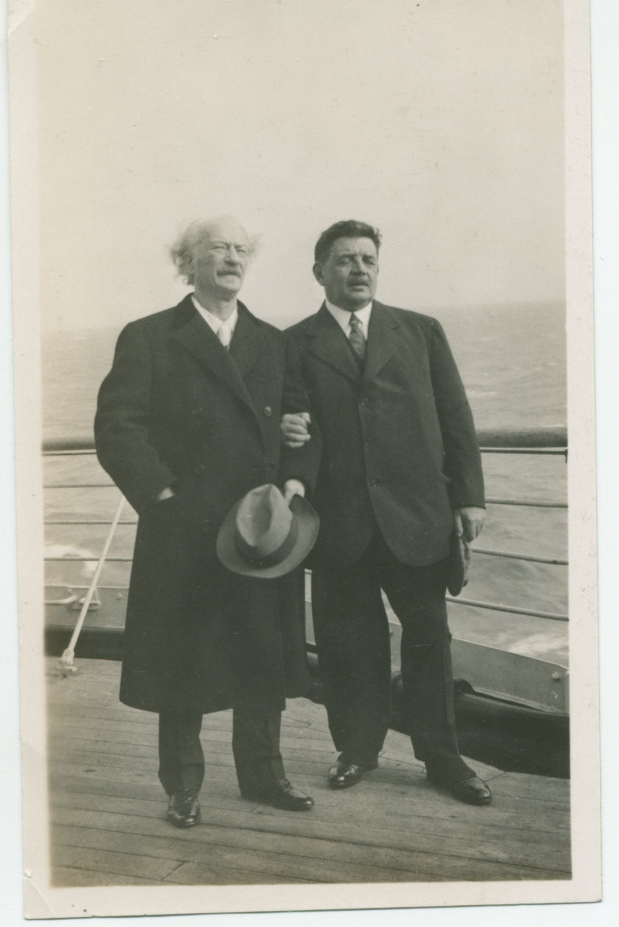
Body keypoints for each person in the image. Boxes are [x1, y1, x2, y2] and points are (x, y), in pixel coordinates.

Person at [95, 216, 320, 828]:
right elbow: (118, 428)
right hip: (184, 528)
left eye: (241, 249)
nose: (232, 258)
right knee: (183, 661)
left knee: (262, 655)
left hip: (258, 528)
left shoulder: (272, 342)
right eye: (217, 247)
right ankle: (183, 787)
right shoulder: (149, 336)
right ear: (186, 262)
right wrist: (164, 496)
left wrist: (294, 485)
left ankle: (264, 775)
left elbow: (303, 422)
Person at [283, 219, 491, 805]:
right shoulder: (292, 344)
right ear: (319, 271)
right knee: (348, 645)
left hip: (416, 518)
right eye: (345, 260)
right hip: (337, 523)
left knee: (428, 639)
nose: (359, 269)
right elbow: (291, 426)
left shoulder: (421, 331)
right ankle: (356, 749)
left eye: (368, 259)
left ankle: (442, 758)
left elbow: (455, 416)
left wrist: (469, 496)